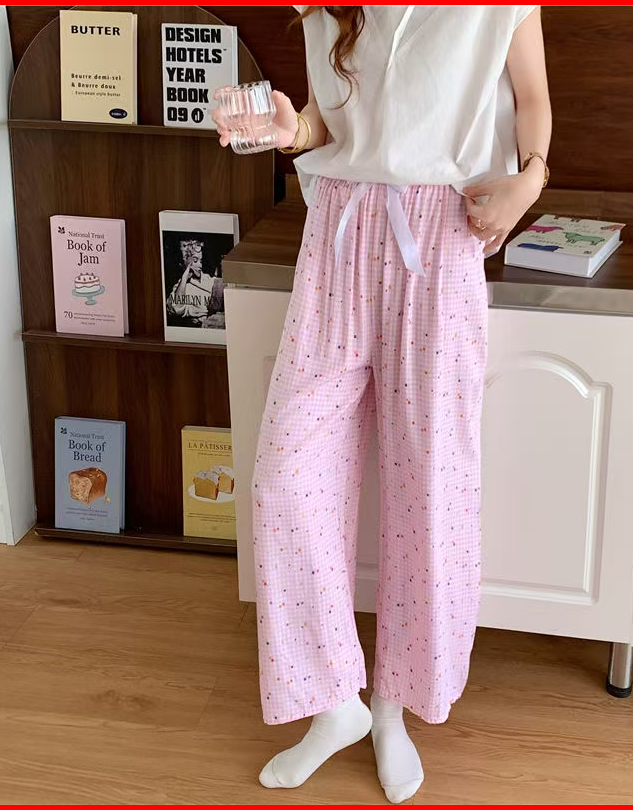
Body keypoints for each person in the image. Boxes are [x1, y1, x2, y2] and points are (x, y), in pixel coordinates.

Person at [216, 5, 551, 803]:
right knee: (286, 477)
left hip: (442, 231)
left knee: (428, 488)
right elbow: (327, 124)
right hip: (337, 226)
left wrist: (529, 179)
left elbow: (533, 96)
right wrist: (290, 130)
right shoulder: (324, 8)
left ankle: (394, 708)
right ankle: (336, 701)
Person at [166, 238, 215, 327]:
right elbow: (176, 309)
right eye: (195, 261)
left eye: (201, 261)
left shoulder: (208, 278)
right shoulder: (180, 287)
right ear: (182, 263)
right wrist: (184, 277)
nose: (200, 265)